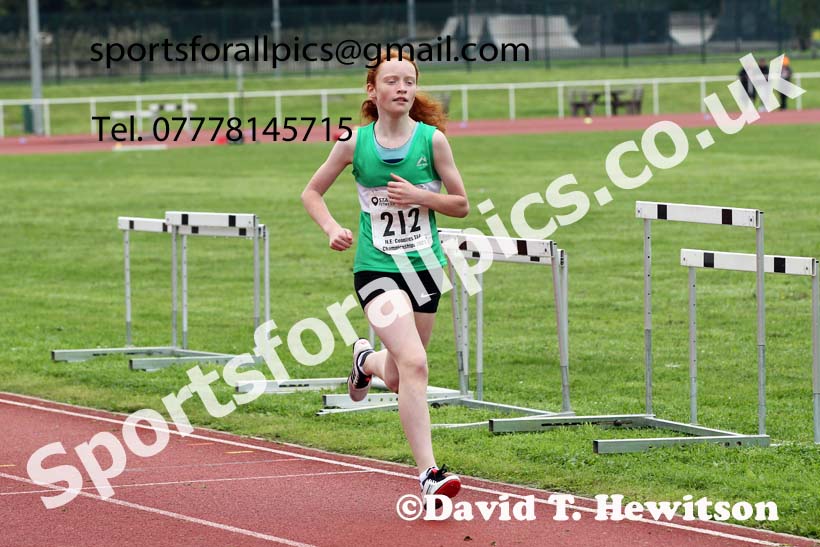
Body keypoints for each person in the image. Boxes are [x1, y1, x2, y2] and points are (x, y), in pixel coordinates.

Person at [301, 48, 469, 501]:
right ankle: (429, 473)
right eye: (392, 81)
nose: (402, 89)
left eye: (409, 82)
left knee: (397, 376)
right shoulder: (355, 143)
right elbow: (312, 192)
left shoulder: (431, 142)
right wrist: (332, 227)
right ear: (372, 91)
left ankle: (365, 362)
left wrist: (420, 196)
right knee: (416, 364)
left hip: (425, 269)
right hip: (376, 269)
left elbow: (461, 204)